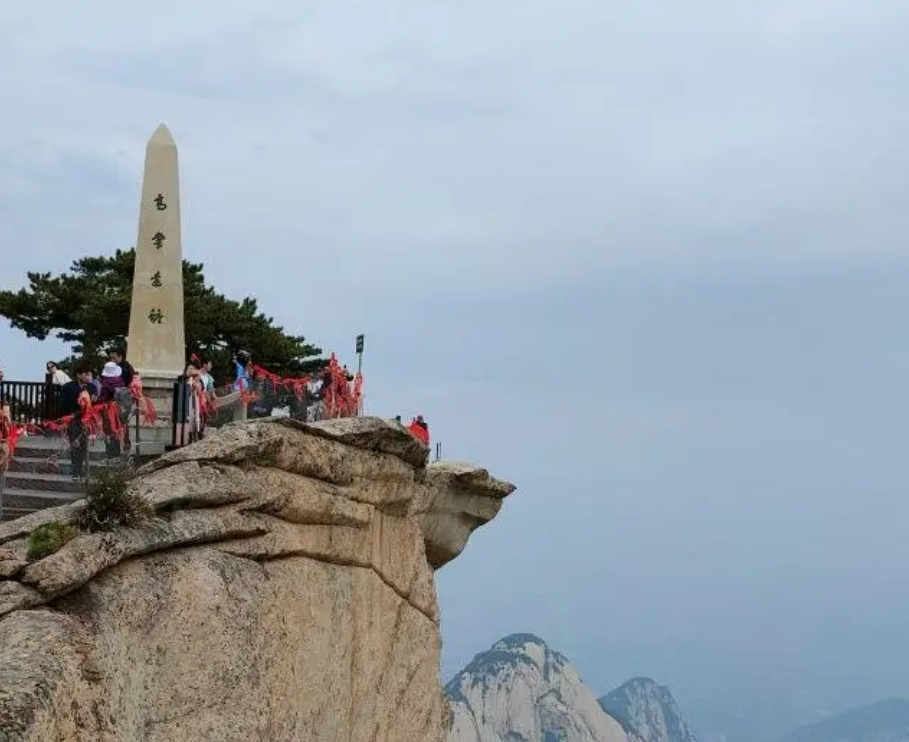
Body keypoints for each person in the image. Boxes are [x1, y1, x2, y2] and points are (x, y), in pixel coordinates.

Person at [60, 365, 93, 480]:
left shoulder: (92, 387)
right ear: (78, 374)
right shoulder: (68, 388)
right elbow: (63, 406)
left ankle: (80, 470)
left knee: (84, 445)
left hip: (87, 420)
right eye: (85, 374)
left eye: (88, 374)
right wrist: (64, 421)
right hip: (73, 420)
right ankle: (75, 472)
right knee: (75, 444)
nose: (87, 376)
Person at [109, 349, 136, 452]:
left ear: (120, 357)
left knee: (121, 423)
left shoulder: (124, 368)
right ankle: (119, 445)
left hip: (123, 398)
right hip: (118, 398)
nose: (111, 360)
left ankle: (123, 445)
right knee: (117, 423)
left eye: (113, 358)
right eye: (110, 358)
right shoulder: (117, 367)